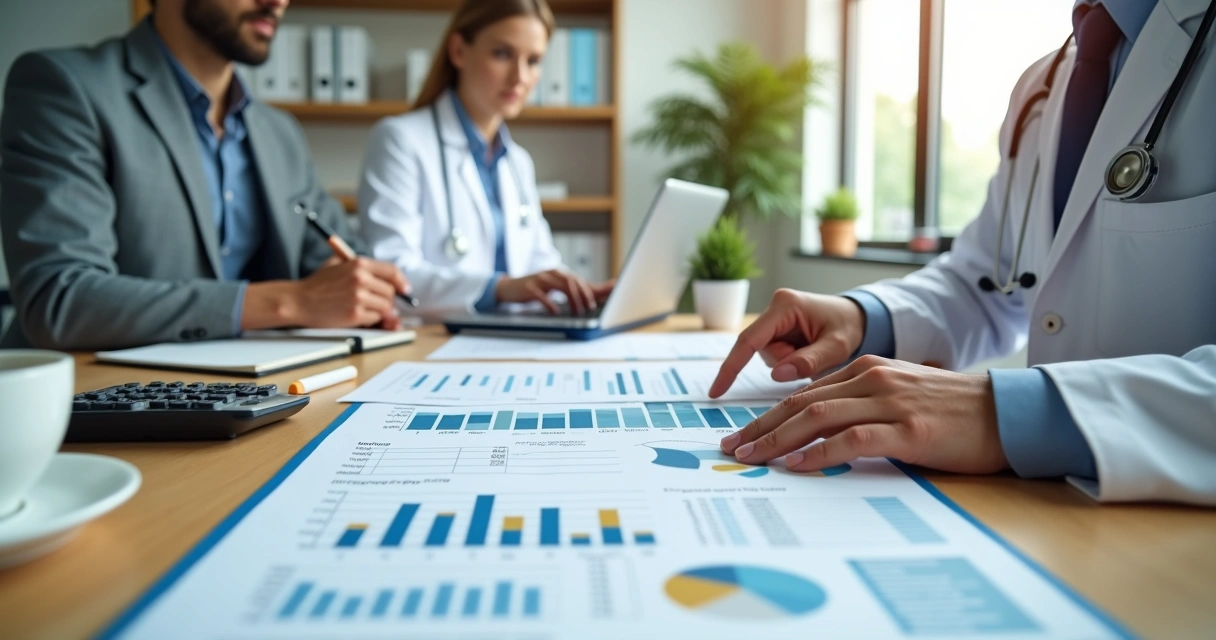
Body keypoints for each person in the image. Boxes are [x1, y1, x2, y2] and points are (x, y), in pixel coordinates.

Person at [710, 0, 1216, 505]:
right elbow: (988, 284)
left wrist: (1007, 412)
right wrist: (865, 318)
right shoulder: (1047, 81)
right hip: (1061, 513)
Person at [0, 0, 410, 351]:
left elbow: (336, 263)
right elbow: (59, 298)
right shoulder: (66, 87)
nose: (278, 0)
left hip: (253, 393)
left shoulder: (278, 131)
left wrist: (363, 296)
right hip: (94, 403)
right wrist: (291, 303)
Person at [358, 0, 613, 318]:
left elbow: (540, 263)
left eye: (533, 61)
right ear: (459, 51)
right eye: (503, 54)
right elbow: (390, 273)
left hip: (514, 338)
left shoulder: (518, 162)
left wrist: (581, 293)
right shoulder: (400, 140)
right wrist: (500, 288)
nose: (520, 76)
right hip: (433, 340)